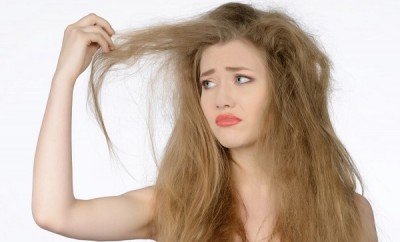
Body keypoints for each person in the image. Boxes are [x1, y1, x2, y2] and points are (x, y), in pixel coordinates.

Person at [32, 2, 378, 242]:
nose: (220, 98)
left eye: (241, 78)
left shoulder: (347, 212)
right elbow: (55, 213)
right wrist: (63, 78)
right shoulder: (175, 207)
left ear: (285, 89)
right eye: (207, 82)